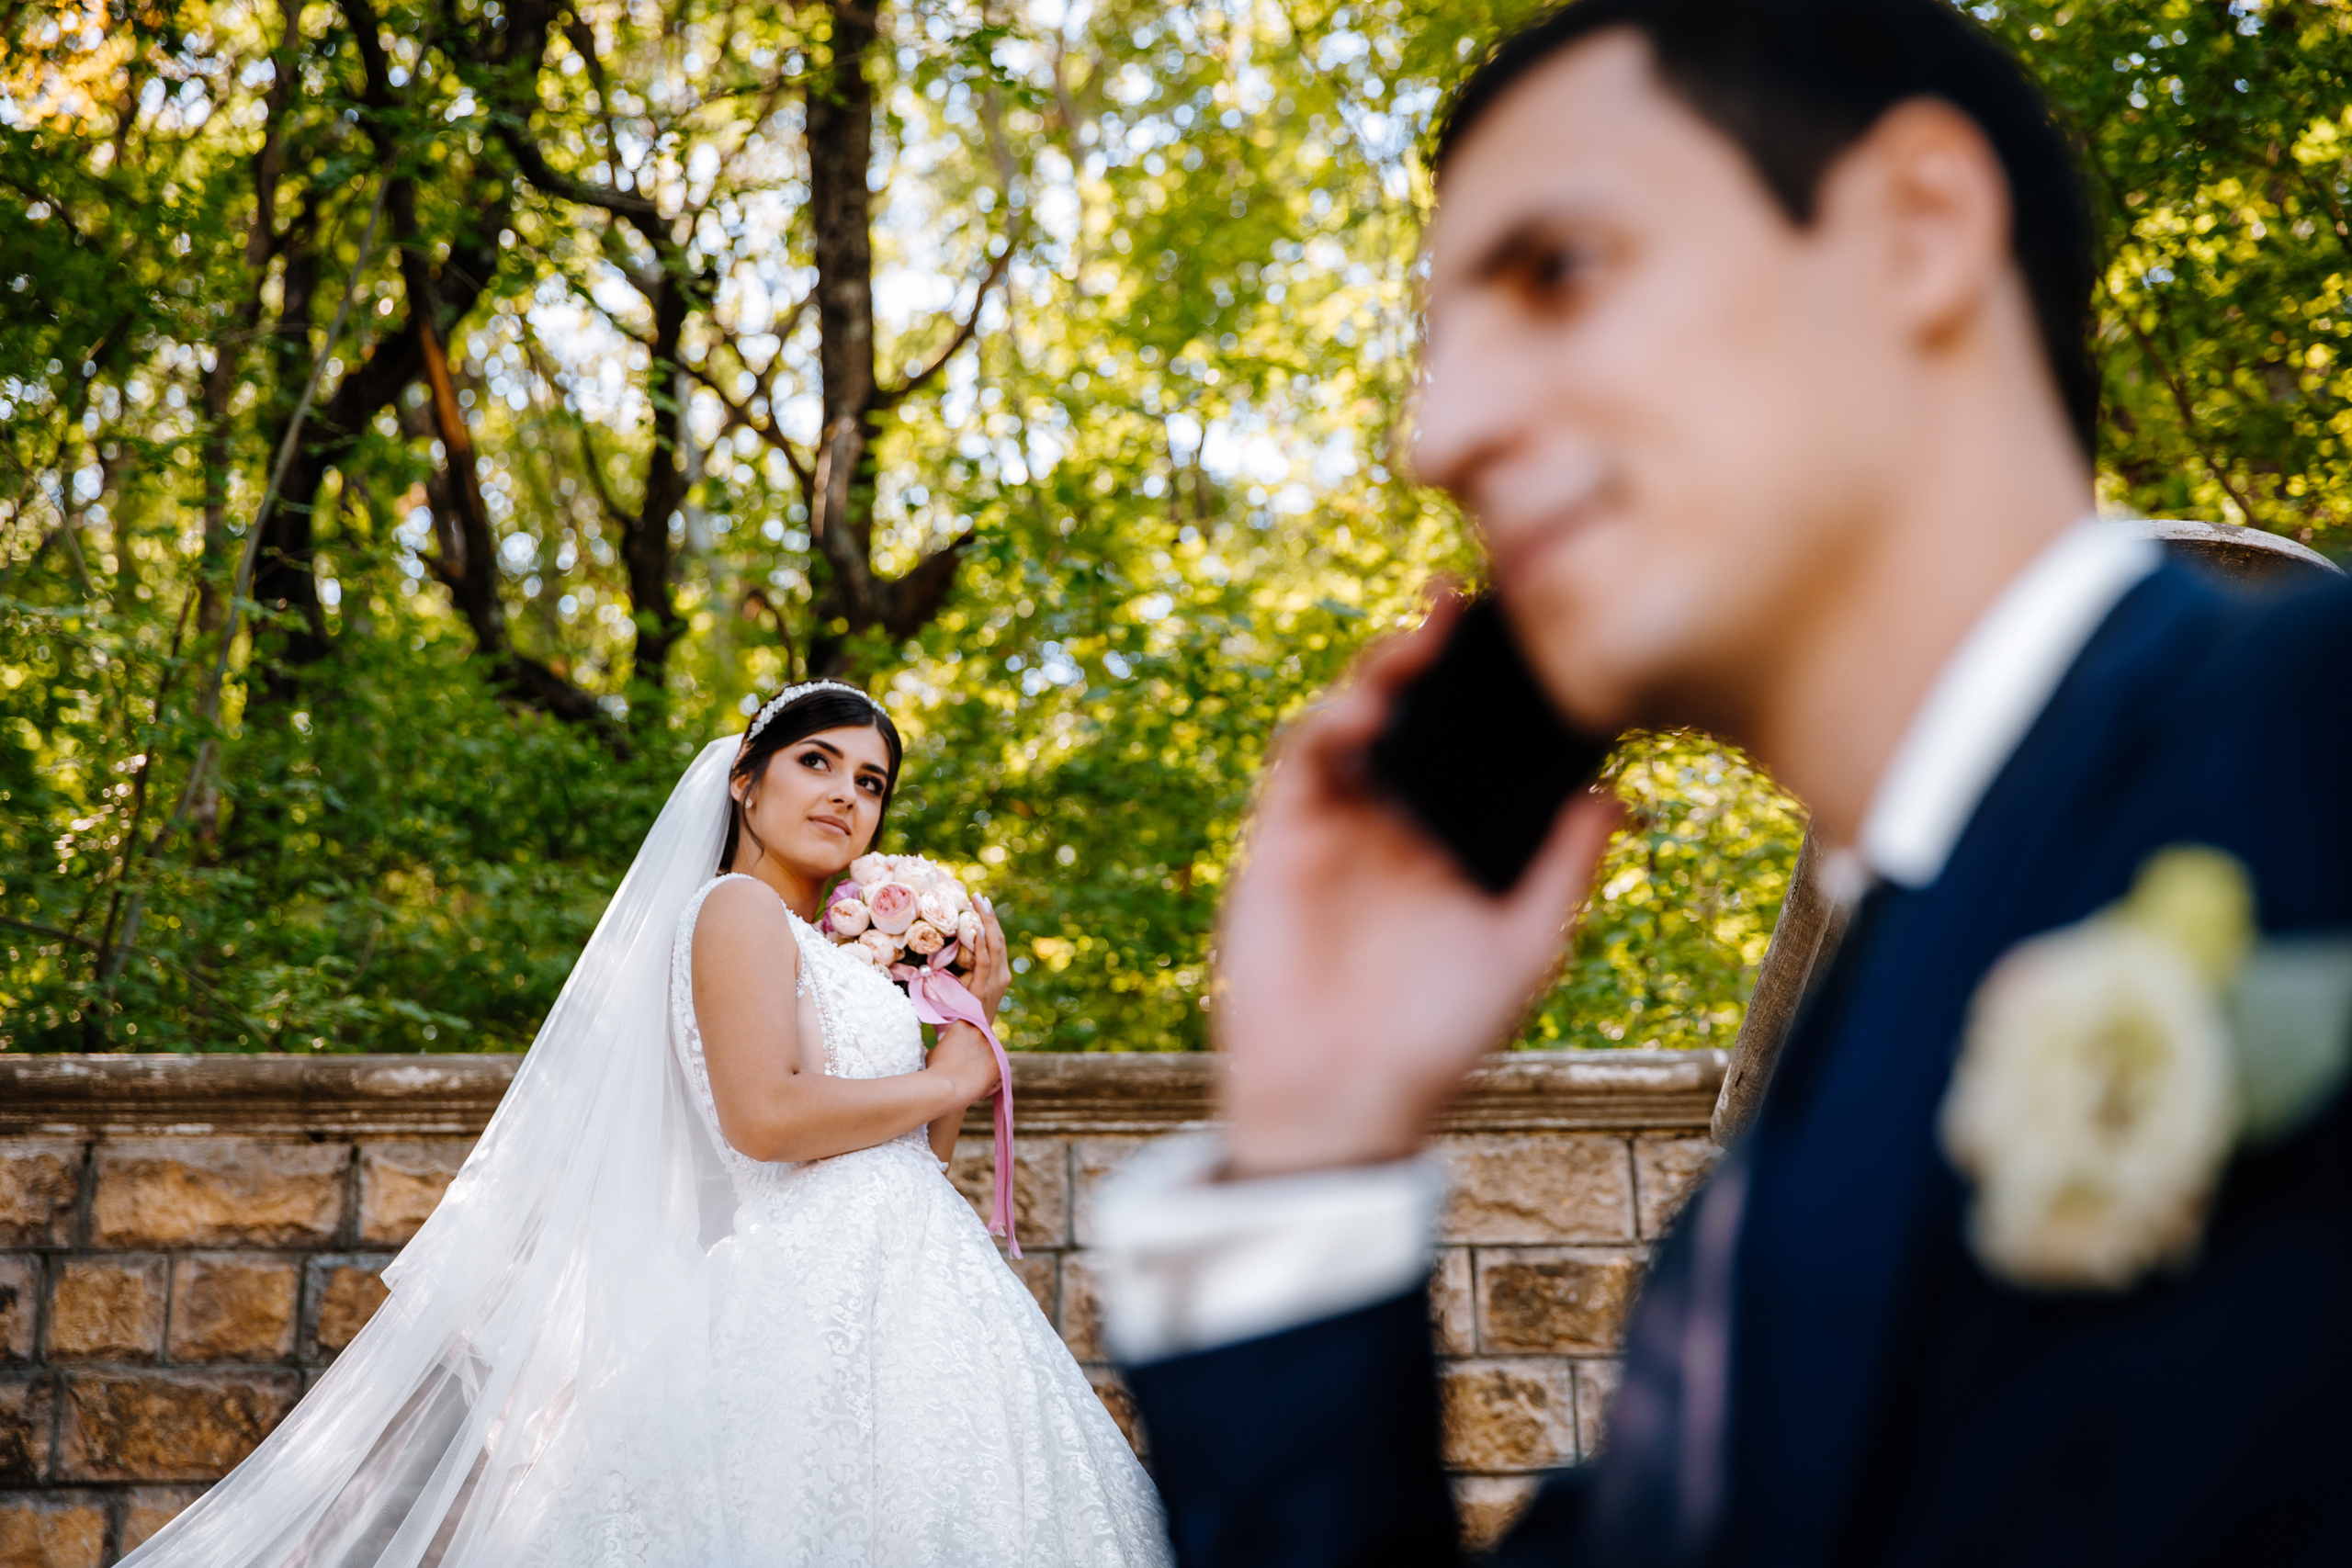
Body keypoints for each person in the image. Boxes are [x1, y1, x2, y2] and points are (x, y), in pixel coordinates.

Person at [1091, 1, 2352, 1564]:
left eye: (1557, 271)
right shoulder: (1739, 1256)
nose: (1443, 436)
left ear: (1918, 226)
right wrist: (1308, 1141)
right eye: (1440, 350)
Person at [124, 681, 1171, 1568]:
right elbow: (765, 1120)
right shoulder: (732, 912)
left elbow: (912, 1157)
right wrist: (952, 1079)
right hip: (807, 1285)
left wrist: (963, 1018)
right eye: (817, 762)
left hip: (918, 1289)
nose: (847, 796)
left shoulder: (841, 957)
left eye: (871, 784)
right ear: (744, 780)